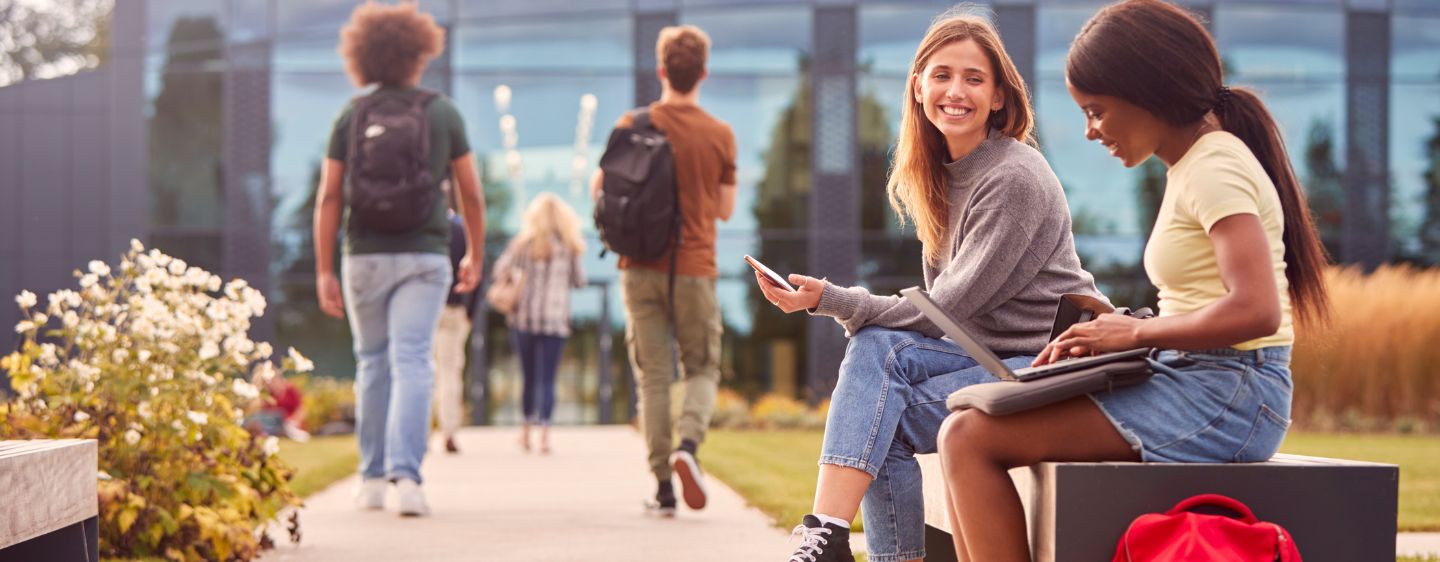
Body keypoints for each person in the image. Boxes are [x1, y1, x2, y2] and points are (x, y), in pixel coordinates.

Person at [935, 1, 1333, 560]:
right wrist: (1113, 331)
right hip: (1198, 378)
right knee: (965, 427)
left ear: (1151, 92)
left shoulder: (1216, 167)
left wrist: (1135, 335)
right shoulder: (1196, 163)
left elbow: (1257, 312)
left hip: (1230, 392)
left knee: (970, 438)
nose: (1091, 131)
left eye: (1096, 111)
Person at [756, 13, 1107, 562]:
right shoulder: (941, 175)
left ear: (998, 97)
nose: (955, 91)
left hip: (1046, 364)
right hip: (990, 356)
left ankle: (829, 537)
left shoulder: (1013, 176)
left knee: (881, 393)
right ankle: (828, 532)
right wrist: (838, 305)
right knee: (874, 357)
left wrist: (831, 298)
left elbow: (948, 309)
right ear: (918, 87)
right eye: (941, 75)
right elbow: (943, 318)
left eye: (973, 78)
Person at [314, 2, 485, 518]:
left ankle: (370, 480)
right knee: (413, 359)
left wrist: (324, 268)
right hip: (425, 254)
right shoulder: (442, 112)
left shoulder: (351, 113)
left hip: (363, 253)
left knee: (372, 363)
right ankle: (408, 479)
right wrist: (475, 251)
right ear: (419, 54)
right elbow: (471, 194)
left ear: (363, 56)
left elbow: (329, 196)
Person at [591, 25, 738, 517]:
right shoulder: (719, 134)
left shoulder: (631, 123)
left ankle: (662, 489)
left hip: (638, 266)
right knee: (700, 366)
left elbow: (600, 188)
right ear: (703, 73)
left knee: (653, 376)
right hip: (695, 266)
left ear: (661, 71)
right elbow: (725, 210)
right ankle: (688, 449)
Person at [491, 193, 587, 454]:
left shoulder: (523, 244)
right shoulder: (569, 247)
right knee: (548, 378)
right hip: (555, 321)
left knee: (529, 376)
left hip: (524, 319)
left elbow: (499, 271)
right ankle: (545, 434)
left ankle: (525, 432)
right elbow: (580, 281)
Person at [434, 201, 480, 455]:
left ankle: (423, 430)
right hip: (455, 308)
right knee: (450, 371)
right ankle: (448, 431)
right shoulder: (462, 229)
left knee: (422, 369)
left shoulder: (425, 227)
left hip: (427, 307)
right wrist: (470, 311)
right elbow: (477, 270)